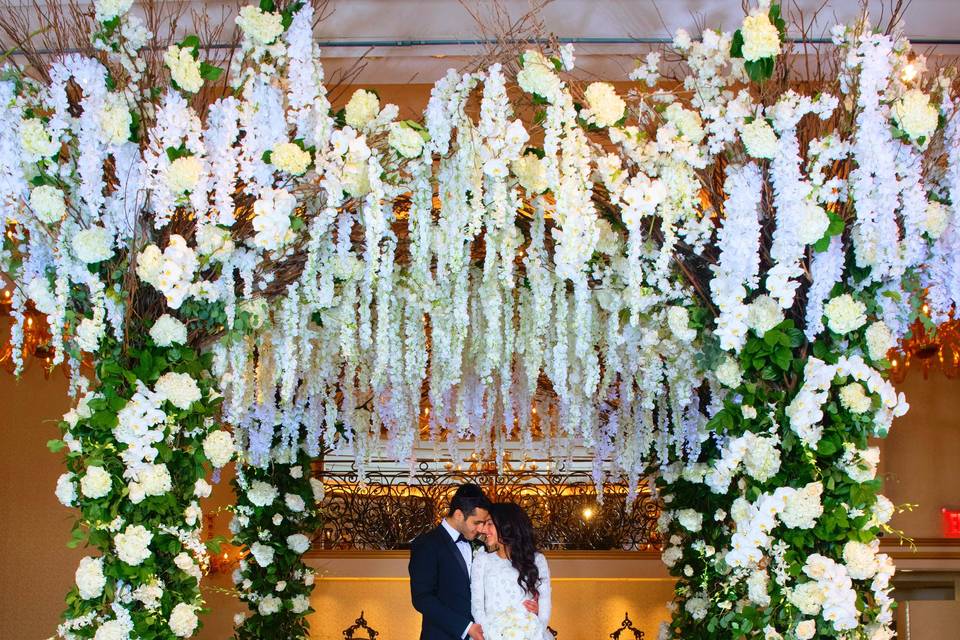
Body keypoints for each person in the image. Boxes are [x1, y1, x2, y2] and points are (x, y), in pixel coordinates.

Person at [409, 484, 538, 640]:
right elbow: (422, 599)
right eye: (477, 522)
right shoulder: (427, 544)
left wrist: (528, 610)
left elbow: (495, 590)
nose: (481, 529)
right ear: (458, 515)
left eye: (484, 523)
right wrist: (466, 627)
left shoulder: (481, 546)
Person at [471, 502, 552, 640]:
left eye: (489, 524)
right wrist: (491, 636)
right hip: (491, 635)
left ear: (505, 525)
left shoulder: (537, 560)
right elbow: (477, 607)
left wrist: (534, 633)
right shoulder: (482, 560)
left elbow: (545, 603)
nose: (484, 530)